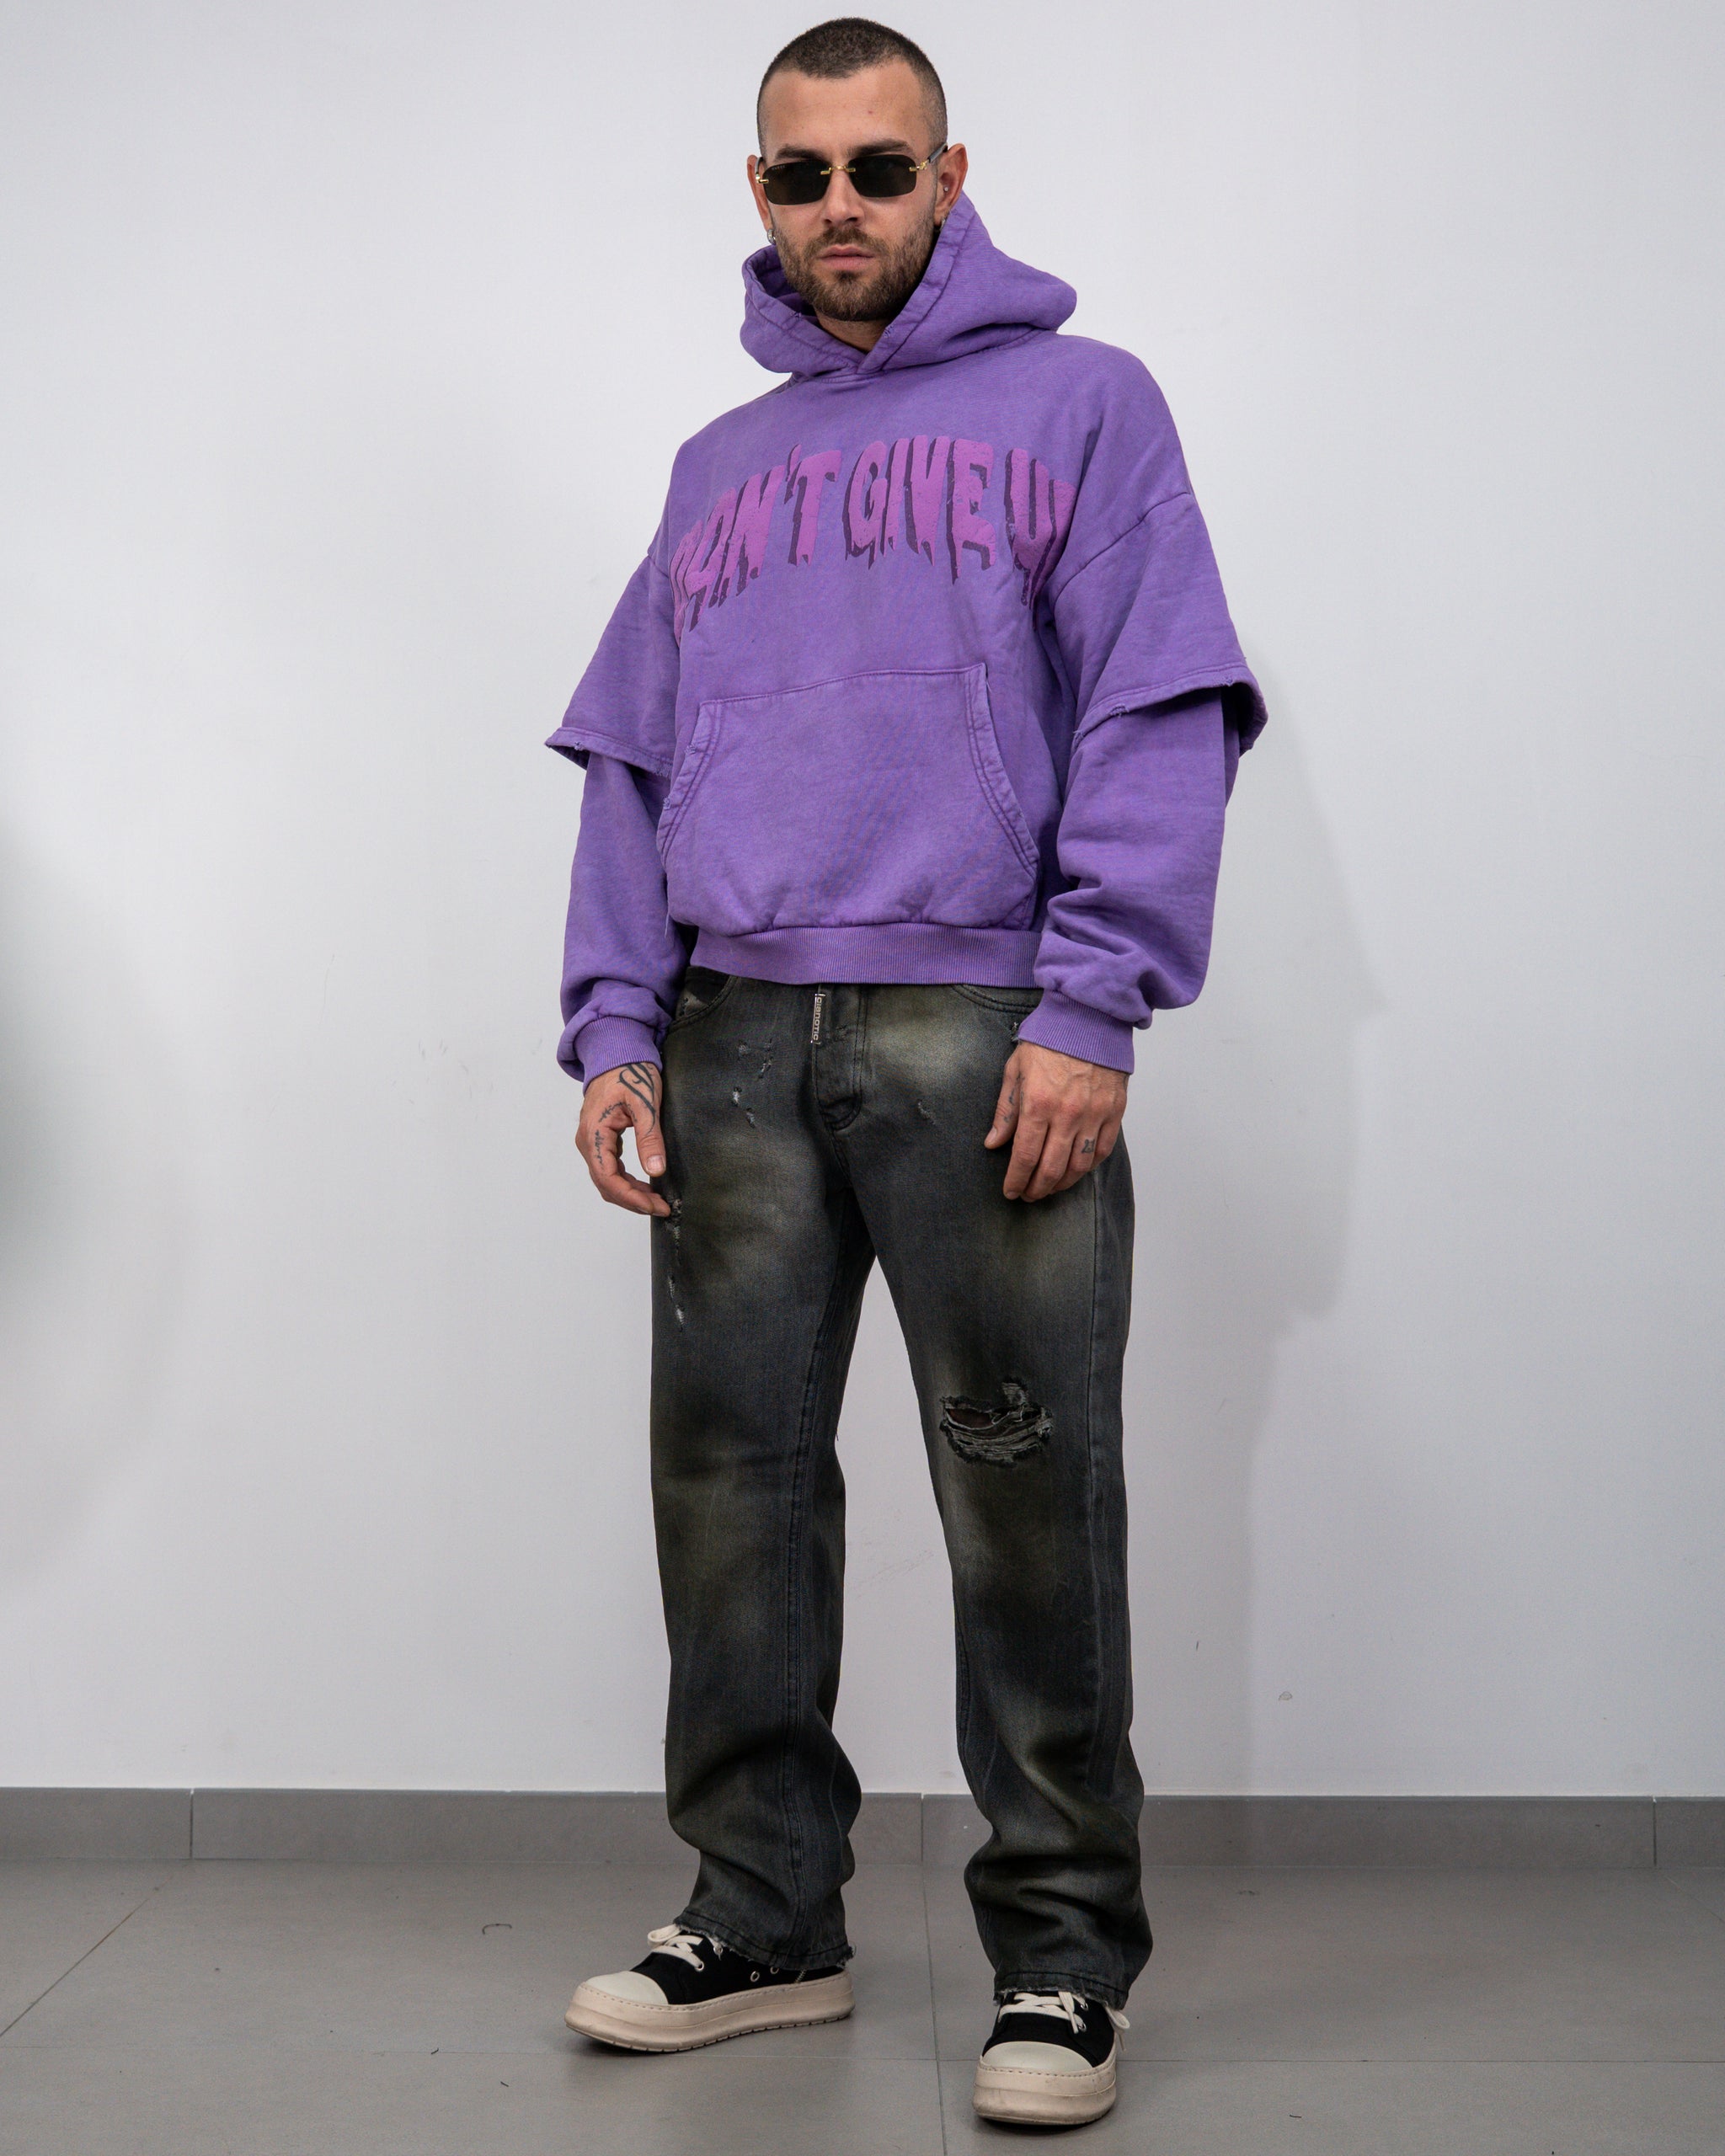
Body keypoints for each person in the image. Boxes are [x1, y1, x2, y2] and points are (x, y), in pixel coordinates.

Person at [548, 16, 1265, 2129]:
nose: (840, 207)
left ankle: (1059, 1954)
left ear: (951, 175)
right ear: (757, 193)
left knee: (1023, 1484)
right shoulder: (718, 463)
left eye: (880, 167)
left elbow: (1154, 699)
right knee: (728, 1487)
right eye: (802, 175)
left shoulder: (1084, 404)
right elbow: (631, 758)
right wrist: (613, 1017)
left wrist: (1094, 1001)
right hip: (730, 1029)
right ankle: (763, 1914)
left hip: (983, 1021)